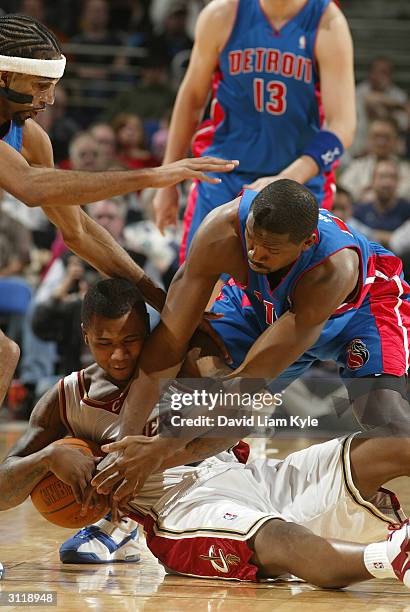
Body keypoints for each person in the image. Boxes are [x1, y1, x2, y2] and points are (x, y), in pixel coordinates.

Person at [1, 279, 410, 588]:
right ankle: (392, 557)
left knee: (394, 444)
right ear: (86, 334)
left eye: (130, 340)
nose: (120, 354)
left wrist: (154, 455)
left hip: (244, 476)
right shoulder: (65, 398)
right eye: (105, 343)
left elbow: (235, 427)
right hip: (177, 509)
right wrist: (47, 457)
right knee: (281, 539)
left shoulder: (180, 366)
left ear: (148, 329)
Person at [93, 179, 410, 504]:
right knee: (195, 373)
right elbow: (169, 342)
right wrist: (124, 440)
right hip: (268, 308)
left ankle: (352, 494)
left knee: (390, 428)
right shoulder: (221, 231)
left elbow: (249, 382)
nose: (255, 254)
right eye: (251, 239)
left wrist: (163, 446)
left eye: (270, 249)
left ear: (306, 242)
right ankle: (144, 482)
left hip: (364, 310)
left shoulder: (332, 270)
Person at [0, 13, 236, 407]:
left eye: (53, 87)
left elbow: (80, 232)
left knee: (4, 354)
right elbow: (28, 186)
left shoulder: (31, 139)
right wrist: (151, 176)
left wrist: (164, 302)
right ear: (4, 77)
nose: (50, 100)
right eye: (41, 86)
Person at [153, 0, 356, 262]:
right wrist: (167, 180)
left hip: (298, 181)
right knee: (200, 292)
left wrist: (287, 179)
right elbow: (192, 98)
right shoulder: (221, 13)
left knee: (291, 297)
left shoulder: (328, 22)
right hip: (222, 175)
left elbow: (343, 126)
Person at [352, 159, 410, 248]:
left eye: (392, 177)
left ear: (398, 181)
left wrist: (373, 235)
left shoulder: (407, 210)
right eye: (382, 177)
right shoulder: (360, 211)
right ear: (372, 181)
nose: (386, 183)